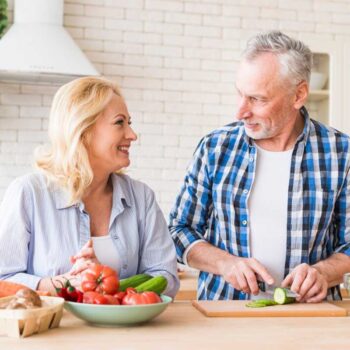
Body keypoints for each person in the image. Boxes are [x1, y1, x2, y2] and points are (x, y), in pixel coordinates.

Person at [169, 30, 350, 302]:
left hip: (310, 317)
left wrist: (323, 272)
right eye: (240, 94)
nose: (240, 111)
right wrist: (225, 263)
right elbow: (178, 230)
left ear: (298, 95)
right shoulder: (215, 148)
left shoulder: (342, 153)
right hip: (225, 312)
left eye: (257, 99)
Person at [0, 76, 179, 298]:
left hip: (127, 331)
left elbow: (166, 278)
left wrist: (106, 285)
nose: (132, 135)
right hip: (53, 330)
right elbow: (3, 278)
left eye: (129, 123)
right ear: (83, 130)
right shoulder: (28, 193)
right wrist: (59, 284)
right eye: (119, 122)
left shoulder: (142, 198)